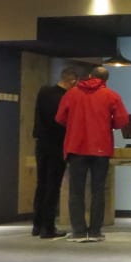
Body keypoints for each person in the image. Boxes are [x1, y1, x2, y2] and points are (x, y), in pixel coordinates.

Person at [55, 65, 129, 242]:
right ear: (106, 80)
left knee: (76, 191)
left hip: (76, 147)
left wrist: (74, 124)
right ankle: (95, 231)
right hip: (101, 148)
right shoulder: (111, 95)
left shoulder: (71, 94)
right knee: (98, 191)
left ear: (89, 76)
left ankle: (79, 231)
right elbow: (122, 120)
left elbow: (60, 118)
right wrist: (107, 124)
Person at [31, 67, 78, 238]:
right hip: (57, 144)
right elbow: (63, 121)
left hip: (41, 143)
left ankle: (37, 225)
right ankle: (48, 228)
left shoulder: (43, 92)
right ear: (72, 81)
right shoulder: (67, 98)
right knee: (53, 185)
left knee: (41, 184)